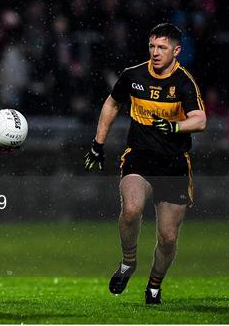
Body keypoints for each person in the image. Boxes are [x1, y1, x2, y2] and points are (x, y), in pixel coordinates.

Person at [84, 23, 206, 304]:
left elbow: (200, 120)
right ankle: (128, 261)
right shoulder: (133, 75)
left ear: (176, 51)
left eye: (162, 47)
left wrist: (175, 127)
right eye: (152, 46)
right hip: (138, 158)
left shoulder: (184, 82)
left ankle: (154, 285)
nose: (155, 52)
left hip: (173, 166)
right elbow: (112, 104)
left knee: (168, 238)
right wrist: (98, 144)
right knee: (131, 209)